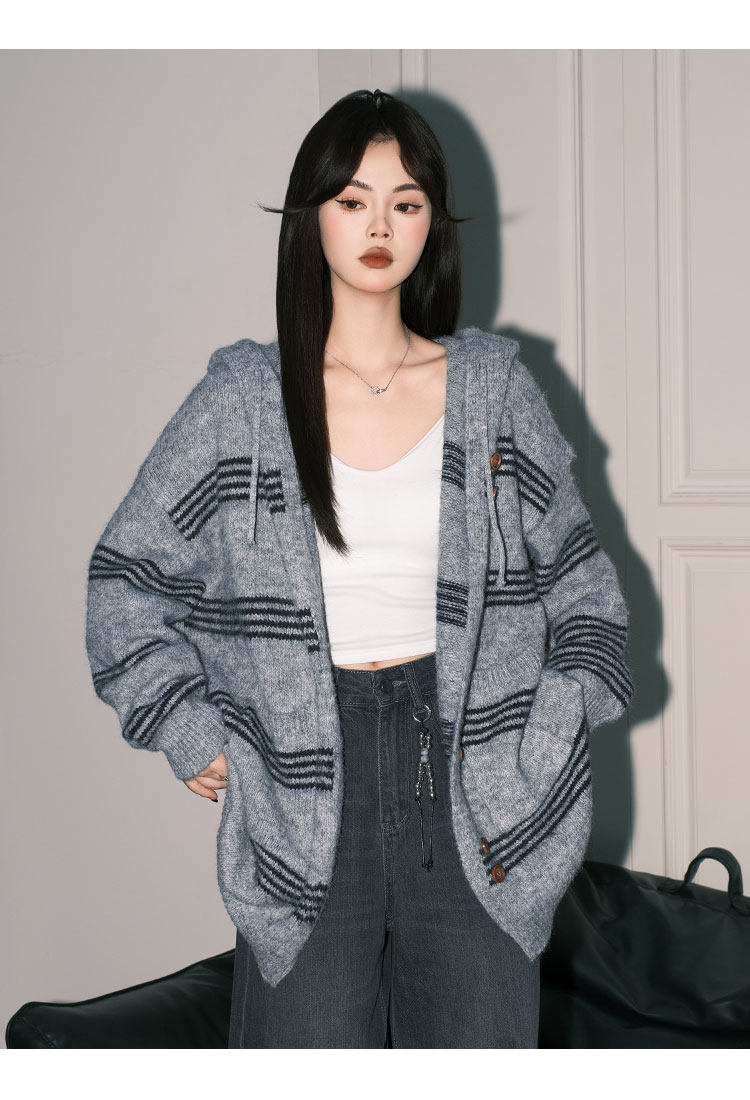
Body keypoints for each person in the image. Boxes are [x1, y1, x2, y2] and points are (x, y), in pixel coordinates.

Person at [85, 89, 633, 1048]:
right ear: (313, 217)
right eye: (353, 200)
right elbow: (123, 583)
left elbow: (588, 595)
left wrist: (548, 732)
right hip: (301, 801)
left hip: (478, 789)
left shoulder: (494, 392)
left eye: (406, 202)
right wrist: (187, 727)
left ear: (432, 223)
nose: (380, 226)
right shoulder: (243, 401)